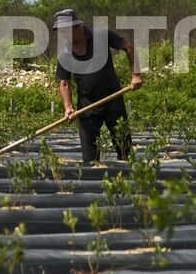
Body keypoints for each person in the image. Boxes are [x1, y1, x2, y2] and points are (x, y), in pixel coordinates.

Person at [52, 9, 143, 164]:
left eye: (65, 30)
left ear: (76, 27)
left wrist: (136, 75)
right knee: (90, 159)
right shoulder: (65, 54)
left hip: (113, 100)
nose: (63, 35)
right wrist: (68, 107)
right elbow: (64, 83)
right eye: (60, 31)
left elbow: (129, 48)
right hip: (87, 108)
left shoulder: (101, 35)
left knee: (124, 151)